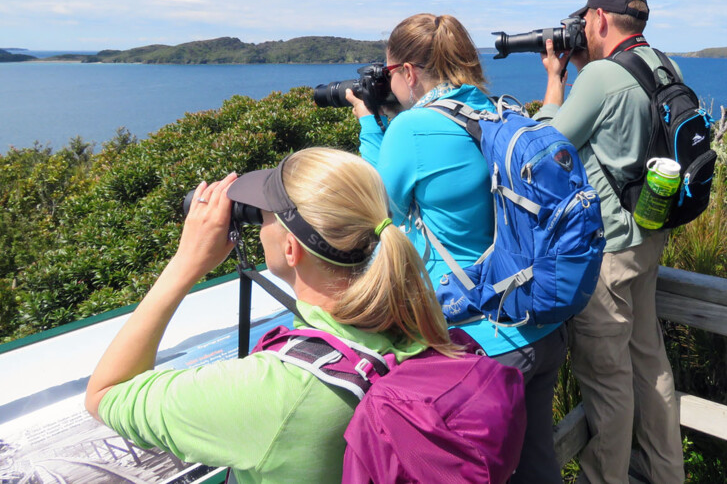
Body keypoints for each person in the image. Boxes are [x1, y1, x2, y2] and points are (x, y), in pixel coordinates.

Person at [85, 148, 464, 483]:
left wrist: (186, 262)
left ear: (290, 248)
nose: (258, 224)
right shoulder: (416, 326)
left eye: (264, 216)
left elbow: (104, 394)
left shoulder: (272, 390)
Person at [346, 13, 567, 483]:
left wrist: (369, 124)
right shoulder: (493, 110)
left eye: (389, 74)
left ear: (407, 72)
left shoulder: (413, 129)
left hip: (478, 340)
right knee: (537, 468)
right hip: (538, 325)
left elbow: (376, 207)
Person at [534, 0, 685, 483]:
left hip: (609, 254)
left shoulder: (600, 76)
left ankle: (606, 478)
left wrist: (556, 83)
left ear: (599, 19)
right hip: (648, 238)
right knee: (650, 366)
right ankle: (665, 474)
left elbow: (545, 150)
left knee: (608, 382)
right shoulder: (664, 64)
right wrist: (583, 68)